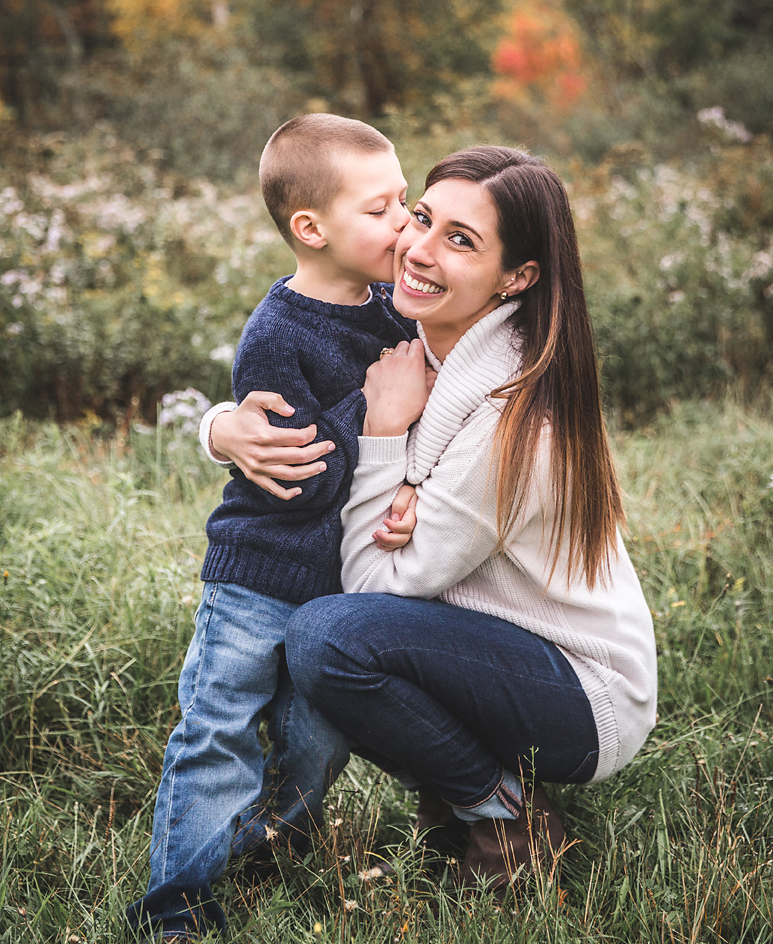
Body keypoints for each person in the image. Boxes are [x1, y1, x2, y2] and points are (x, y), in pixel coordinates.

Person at [274, 145, 658, 892]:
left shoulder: (512, 419)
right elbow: (283, 350)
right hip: (495, 645)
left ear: (516, 279)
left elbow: (371, 587)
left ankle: (505, 818)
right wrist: (220, 427)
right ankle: (451, 813)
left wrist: (385, 438)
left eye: (460, 239)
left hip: (582, 690)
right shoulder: (418, 331)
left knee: (329, 637)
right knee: (317, 624)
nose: (417, 248)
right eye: (422, 217)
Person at [126, 113, 418, 941]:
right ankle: (175, 908)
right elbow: (305, 479)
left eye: (404, 198)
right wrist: (376, 408)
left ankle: (260, 847)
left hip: (336, 587)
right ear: (311, 228)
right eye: (381, 207)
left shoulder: (396, 312)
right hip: (258, 574)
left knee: (317, 744)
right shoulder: (277, 335)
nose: (404, 220)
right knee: (217, 730)